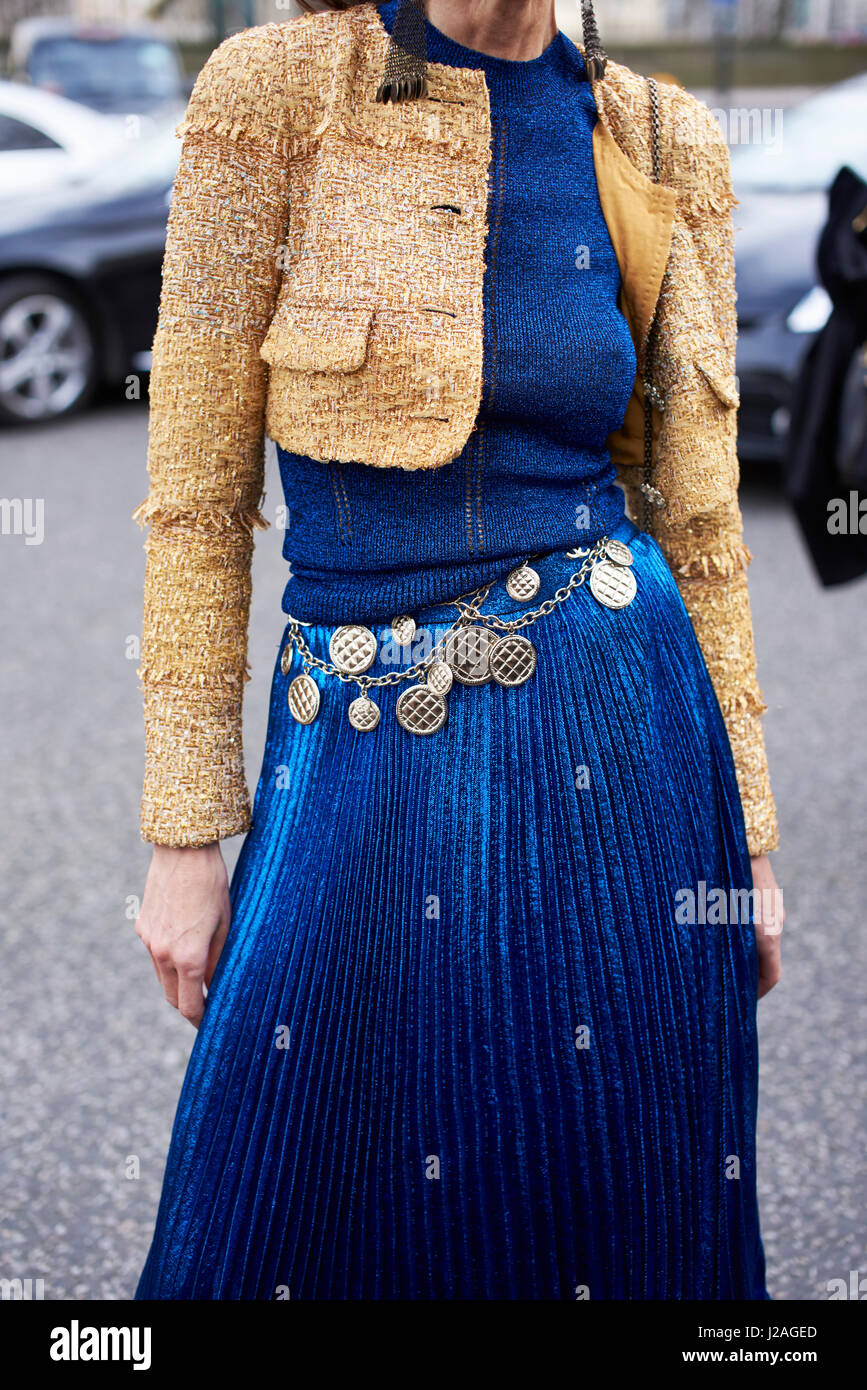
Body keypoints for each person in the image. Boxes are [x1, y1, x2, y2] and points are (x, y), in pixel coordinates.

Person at [132, 0, 783, 1300]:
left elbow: (702, 529)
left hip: (628, 748)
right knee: (280, 1201)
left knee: (611, 1189)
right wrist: (182, 833)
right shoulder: (272, 93)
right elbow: (197, 503)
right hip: (358, 758)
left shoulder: (660, 136)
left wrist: (751, 842)